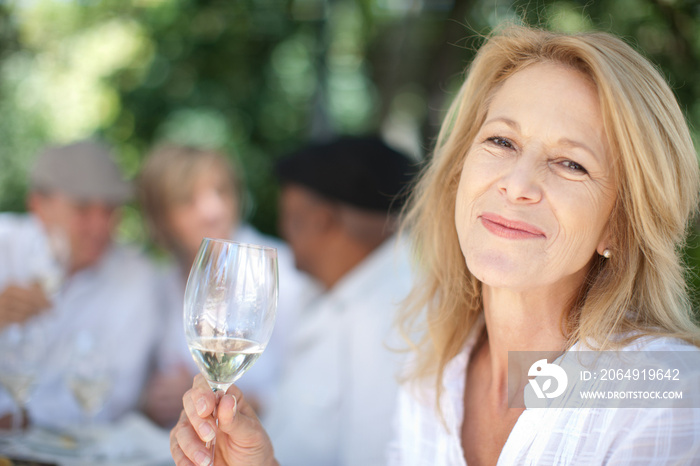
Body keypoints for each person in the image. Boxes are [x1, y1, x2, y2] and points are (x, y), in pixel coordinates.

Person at [169, 25, 700, 466]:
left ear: (620, 225)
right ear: (458, 173)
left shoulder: (662, 393)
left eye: (571, 163)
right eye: (501, 141)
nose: (517, 183)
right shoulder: (437, 373)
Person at [257, 136, 416, 465]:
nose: (281, 228)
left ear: (321, 220)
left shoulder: (395, 318)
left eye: (288, 215)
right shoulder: (339, 293)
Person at [138, 144, 309, 428]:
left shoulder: (282, 273)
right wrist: (151, 401)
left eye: (221, 191)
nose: (213, 210)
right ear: (161, 218)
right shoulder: (160, 282)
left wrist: (219, 397)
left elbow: (313, 389)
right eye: (187, 200)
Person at [0, 139, 161, 429]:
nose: (100, 225)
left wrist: (24, 419)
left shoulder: (136, 278)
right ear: (38, 205)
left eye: (110, 209)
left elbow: (117, 397)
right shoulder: (4, 247)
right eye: (82, 208)